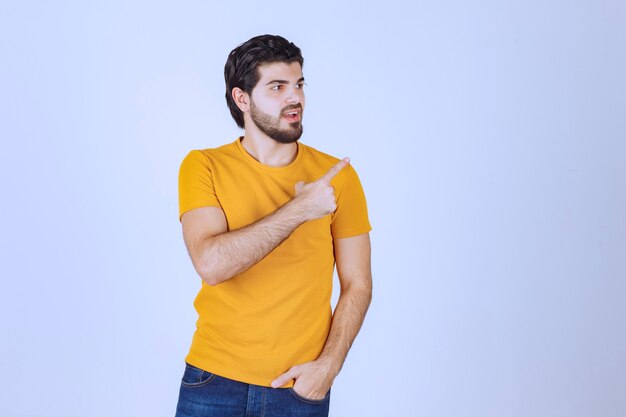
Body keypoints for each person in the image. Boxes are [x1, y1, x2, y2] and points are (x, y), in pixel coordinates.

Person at [175, 34, 372, 417]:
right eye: (277, 87)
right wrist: (299, 209)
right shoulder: (203, 166)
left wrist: (327, 369)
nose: (294, 97)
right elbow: (212, 264)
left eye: (299, 84)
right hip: (213, 381)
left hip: (298, 389)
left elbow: (358, 284)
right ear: (242, 99)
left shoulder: (338, 178)